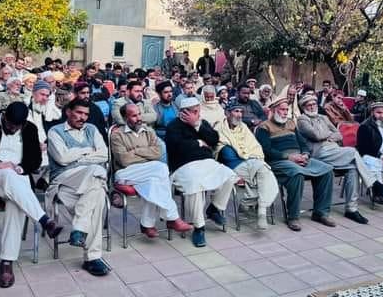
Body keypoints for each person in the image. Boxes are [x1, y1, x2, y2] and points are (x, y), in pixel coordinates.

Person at [0, 102, 62, 288]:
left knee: (16, 198)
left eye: (17, 127)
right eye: (9, 125)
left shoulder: (30, 129)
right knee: (10, 177)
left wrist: (20, 167)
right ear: (4, 116)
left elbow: (35, 160)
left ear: (23, 123)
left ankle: (6, 262)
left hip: (16, 181)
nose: (12, 129)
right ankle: (43, 220)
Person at [46, 99, 111, 276]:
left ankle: (90, 254)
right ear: (68, 111)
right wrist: (87, 152)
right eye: (79, 113)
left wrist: (75, 157)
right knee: (97, 171)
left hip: (84, 186)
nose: (83, 117)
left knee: (97, 195)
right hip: (64, 179)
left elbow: (104, 154)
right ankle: (91, 254)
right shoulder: (55, 131)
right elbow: (62, 159)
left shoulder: (92, 129)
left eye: (86, 114)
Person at [110, 103, 193, 237]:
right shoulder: (117, 135)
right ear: (125, 118)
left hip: (149, 172)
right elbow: (124, 160)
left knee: (154, 183)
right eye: (134, 116)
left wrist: (135, 151)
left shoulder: (148, 131)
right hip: (125, 173)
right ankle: (172, 217)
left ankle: (147, 225)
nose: (138, 118)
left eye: (139, 114)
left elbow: (157, 152)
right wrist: (146, 153)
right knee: (161, 168)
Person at [165, 97, 238, 247]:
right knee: (195, 185)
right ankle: (199, 227)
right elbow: (179, 148)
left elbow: (214, 140)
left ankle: (214, 208)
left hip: (207, 163)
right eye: (195, 112)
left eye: (198, 111)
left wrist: (197, 125)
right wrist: (199, 142)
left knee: (229, 176)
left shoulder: (201, 123)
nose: (198, 114)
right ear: (184, 113)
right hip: (183, 166)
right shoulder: (173, 126)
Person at [255, 99, 336, 231]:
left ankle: (321, 212)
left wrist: (305, 154)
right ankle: (293, 217)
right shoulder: (264, 127)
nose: (285, 112)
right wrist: (289, 157)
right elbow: (266, 150)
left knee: (327, 170)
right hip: (278, 161)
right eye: (282, 109)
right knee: (296, 174)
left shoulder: (291, 123)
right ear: (274, 110)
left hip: (299, 159)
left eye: (287, 110)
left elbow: (302, 143)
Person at [296, 95, 376, 224]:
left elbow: (339, 134)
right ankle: (372, 183)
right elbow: (316, 135)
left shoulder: (324, 117)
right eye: (308, 105)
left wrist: (329, 136)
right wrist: (328, 135)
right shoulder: (302, 119)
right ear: (304, 107)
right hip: (319, 153)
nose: (312, 107)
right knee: (352, 151)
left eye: (314, 104)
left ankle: (351, 209)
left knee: (353, 168)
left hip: (335, 151)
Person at [215, 101, 279, 230]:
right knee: (264, 171)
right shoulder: (219, 128)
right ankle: (253, 207)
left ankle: (260, 210)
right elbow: (226, 155)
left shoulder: (243, 127)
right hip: (233, 167)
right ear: (227, 113)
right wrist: (245, 155)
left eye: (241, 112)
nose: (239, 115)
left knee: (263, 170)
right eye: (236, 111)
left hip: (251, 164)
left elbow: (256, 148)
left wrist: (245, 155)